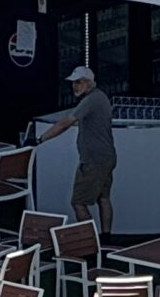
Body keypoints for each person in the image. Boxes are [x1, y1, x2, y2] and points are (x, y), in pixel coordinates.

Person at [40, 64, 116, 231]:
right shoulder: (101, 97)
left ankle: (90, 240)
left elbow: (66, 123)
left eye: (78, 82)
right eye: (74, 82)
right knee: (103, 198)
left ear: (88, 82)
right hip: (106, 156)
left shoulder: (90, 101)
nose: (74, 86)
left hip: (93, 160)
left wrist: (41, 139)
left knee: (78, 202)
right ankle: (106, 238)